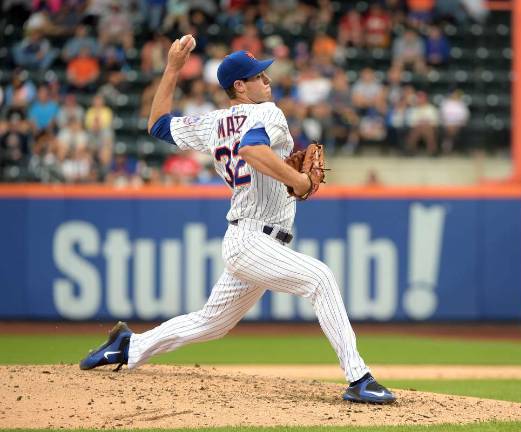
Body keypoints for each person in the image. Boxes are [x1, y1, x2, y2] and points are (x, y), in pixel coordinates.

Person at [79, 41, 396, 405]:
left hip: (250, 240)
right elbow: (250, 149)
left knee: (211, 324)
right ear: (240, 87)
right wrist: (300, 182)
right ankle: (359, 378)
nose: (266, 79)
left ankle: (130, 345)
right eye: (257, 76)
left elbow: (158, 125)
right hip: (252, 240)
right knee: (320, 278)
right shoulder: (269, 113)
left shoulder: (212, 123)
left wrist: (171, 69)